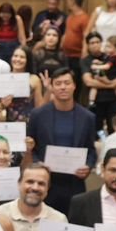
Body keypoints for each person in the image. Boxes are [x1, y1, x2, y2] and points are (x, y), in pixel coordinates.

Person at [27, 67, 98, 214]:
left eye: (67, 83)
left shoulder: (87, 117)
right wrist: (36, 163)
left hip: (75, 183)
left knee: (73, 226)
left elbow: (91, 150)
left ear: (74, 86)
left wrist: (88, 166)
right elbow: (31, 147)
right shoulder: (37, 115)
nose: (63, 87)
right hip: (45, 183)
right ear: (51, 87)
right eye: (58, 83)